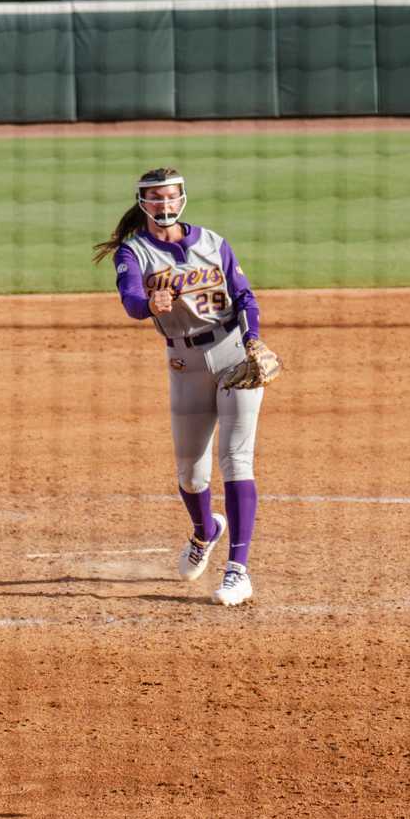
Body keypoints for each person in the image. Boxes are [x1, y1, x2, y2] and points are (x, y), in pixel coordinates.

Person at [92, 169, 280, 610]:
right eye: (155, 198)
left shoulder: (214, 243)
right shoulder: (133, 252)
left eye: (171, 196)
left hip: (234, 356)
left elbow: (245, 297)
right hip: (184, 364)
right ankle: (205, 531)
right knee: (190, 473)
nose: (164, 204)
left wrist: (252, 339)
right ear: (142, 202)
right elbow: (131, 299)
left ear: (183, 198)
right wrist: (148, 305)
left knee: (236, 460)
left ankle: (238, 571)